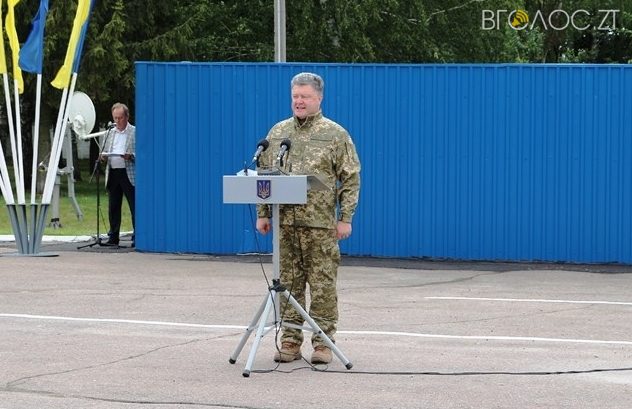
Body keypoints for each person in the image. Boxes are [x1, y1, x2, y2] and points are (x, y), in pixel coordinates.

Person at [256, 72, 361, 364]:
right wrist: (263, 213)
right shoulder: (278, 133)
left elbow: (350, 178)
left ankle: (323, 344)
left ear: (319, 98)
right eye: (295, 97)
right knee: (288, 285)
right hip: (285, 225)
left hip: (320, 226)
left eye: (305, 97)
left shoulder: (335, 134)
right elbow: (264, 175)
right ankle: (290, 341)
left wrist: (345, 217)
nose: (299, 102)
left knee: (322, 285)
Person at [100, 102, 136, 247]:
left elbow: (143, 153)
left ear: (127, 117)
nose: (118, 121)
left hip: (128, 173)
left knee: (134, 206)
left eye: (120, 118)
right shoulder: (110, 132)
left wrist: (131, 156)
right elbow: (105, 149)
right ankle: (113, 237)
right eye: (115, 118)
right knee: (113, 206)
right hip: (113, 172)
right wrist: (103, 157)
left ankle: (137, 236)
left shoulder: (134, 132)